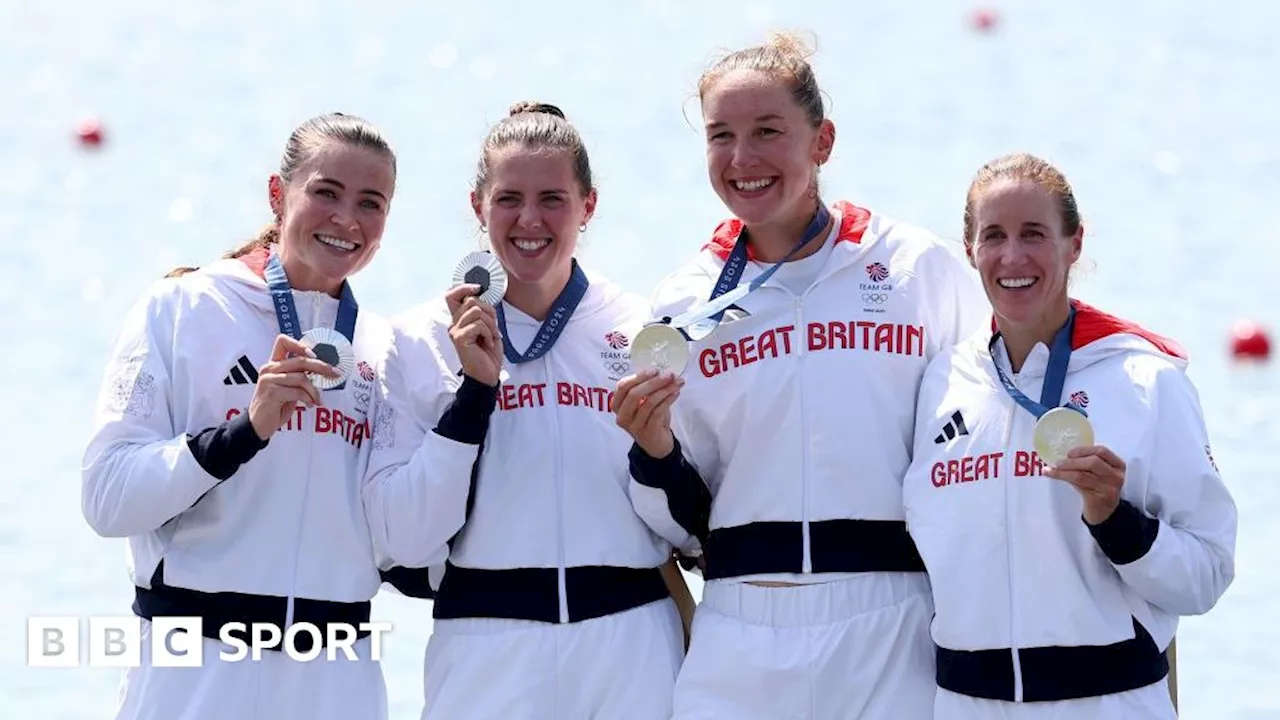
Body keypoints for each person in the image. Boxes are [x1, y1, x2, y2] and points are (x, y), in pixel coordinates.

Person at [613, 33, 990, 719]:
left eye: (767, 132)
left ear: (823, 141)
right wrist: (654, 448)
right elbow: (681, 519)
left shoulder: (915, 268)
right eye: (720, 135)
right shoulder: (682, 301)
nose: (742, 159)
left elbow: (984, 440)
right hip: (742, 622)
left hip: (893, 619)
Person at [362, 101, 690, 720]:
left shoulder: (640, 327)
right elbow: (402, 537)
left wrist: (660, 453)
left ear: (588, 206)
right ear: (477, 205)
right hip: (486, 646)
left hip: (630, 646)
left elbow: (691, 529)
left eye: (553, 199)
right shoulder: (421, 338)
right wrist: (474, 396)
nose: (529, 220)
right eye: (509, 198)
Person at [81, 112, 399, 720]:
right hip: (197, 670)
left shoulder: (385, 349)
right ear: (278, 195)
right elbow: (107, 498)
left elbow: (402, 538)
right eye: (325, 192)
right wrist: (244, 432)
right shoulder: (183, 307)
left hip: (337, 679)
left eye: (371, 203)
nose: (347, 220)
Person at [903, 152, 1237, 719]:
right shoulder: (942, 380)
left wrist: (1115, 520)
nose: (1013, 257)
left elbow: (1206, 574)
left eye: (1034, 234)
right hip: (965, 704)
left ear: (1074, 244)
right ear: (969, 250)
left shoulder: (1143, 379)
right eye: (994, 236)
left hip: (1104, 702)